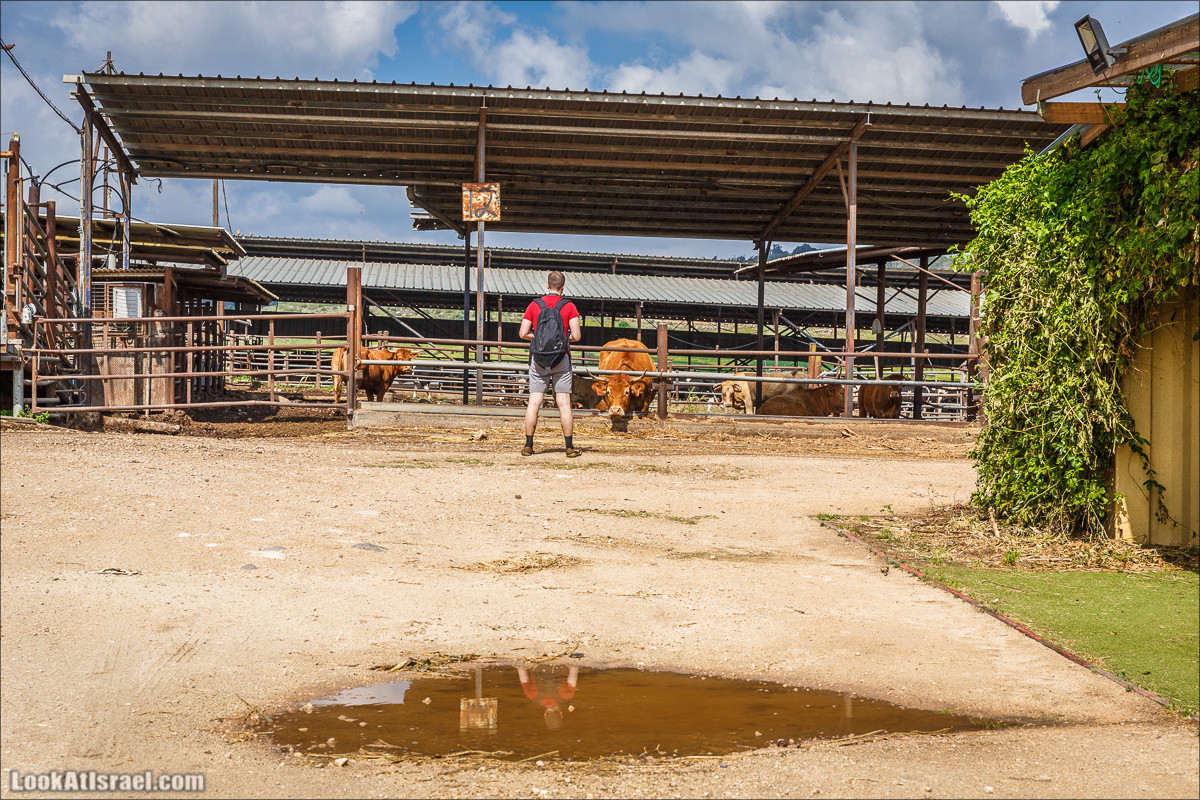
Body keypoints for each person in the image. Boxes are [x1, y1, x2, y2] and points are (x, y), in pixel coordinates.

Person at [519, 271, 582, 457]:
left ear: (547, 286)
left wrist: (538, 338)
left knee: (534, 402)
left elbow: (523, 333)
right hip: (561, 358)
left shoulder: (534, 305)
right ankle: (569, 447)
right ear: (563, 287)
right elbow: (576, 336)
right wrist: (561, 339)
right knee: (563, 403)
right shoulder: (569, 306)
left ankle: (528, 445)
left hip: (538, 359)